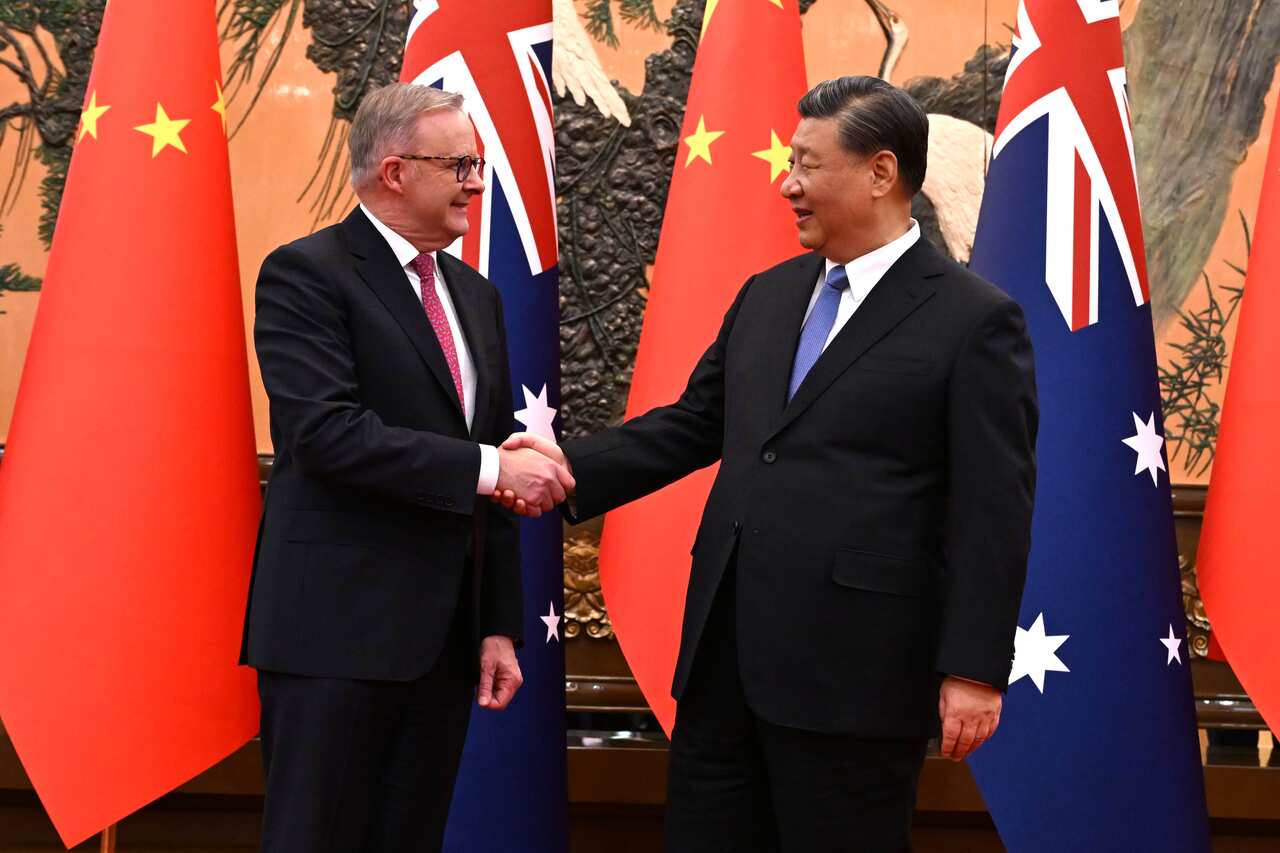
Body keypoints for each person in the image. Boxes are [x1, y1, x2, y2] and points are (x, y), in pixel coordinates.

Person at [503, 76, 1039, 852]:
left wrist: (975, 669)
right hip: (724, 664)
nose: (788, 184)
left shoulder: (975, 319)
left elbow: (994, 509)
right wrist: (565, 468)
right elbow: (694, 424)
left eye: (807, 164)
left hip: (857, 680)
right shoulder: (769, 294)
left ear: (881, 172)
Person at [241, 82, 573, 853]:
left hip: (442, 644)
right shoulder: (306, 274)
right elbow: (326, 434)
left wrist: (496, 625)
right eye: (460, 165)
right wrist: (492, 468)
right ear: (395, 172)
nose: (475, 184)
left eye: (477, 166)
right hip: (333, 637)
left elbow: (491, 459)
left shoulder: (476, 295)